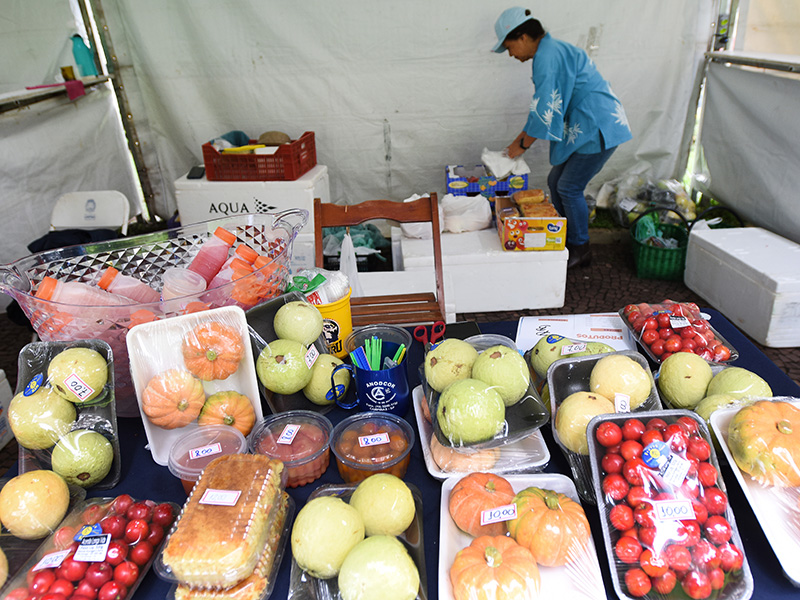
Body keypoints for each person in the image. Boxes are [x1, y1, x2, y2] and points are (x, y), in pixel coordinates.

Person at [492, 7, 632, 268]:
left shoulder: (548, 57)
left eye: (509, 47)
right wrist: (518, 143)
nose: (511, 54)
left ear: (523, 37)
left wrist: (519, 146)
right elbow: (543, 107)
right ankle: (563, 237)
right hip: (589, 123)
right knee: (555, 181)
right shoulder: (551, 50)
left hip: (596, 126)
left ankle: (580, 248)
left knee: (568, 187)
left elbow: (545, 110)